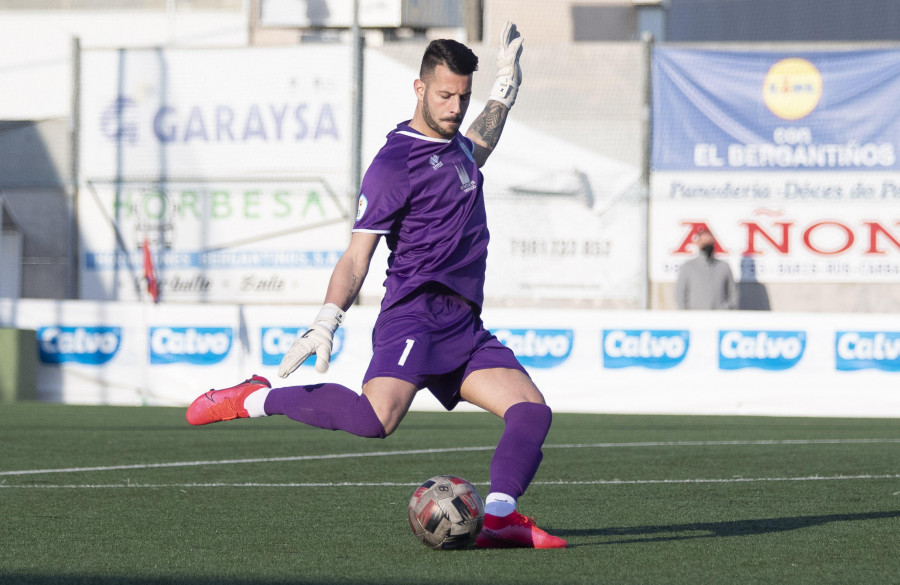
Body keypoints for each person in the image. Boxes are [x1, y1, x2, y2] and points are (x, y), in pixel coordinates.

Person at [186, 22, 567, 549]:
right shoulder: (394, 164)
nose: (455, 106)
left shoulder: (458, 148)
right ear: (419, 89)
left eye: (463, 96)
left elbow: (481, 141)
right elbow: (356, 254)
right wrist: (326, 320)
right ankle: (256, 398)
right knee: (374, 420)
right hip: (414, 316)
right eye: (444, 95)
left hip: (462, 324)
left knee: (531, 410)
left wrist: (507, 85)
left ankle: (500, 517)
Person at [675, 227, 738, 310]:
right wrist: (686, 315)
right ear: (697, 243)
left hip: (720, 317)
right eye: (704, 241)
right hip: (696, 317)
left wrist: (727, 309)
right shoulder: (688, 267)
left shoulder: (723, 266)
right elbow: (680, 293)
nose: (707, 244)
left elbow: (733, 293)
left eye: (709, 241)